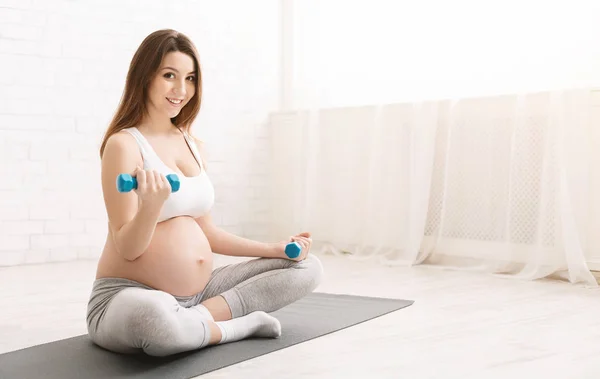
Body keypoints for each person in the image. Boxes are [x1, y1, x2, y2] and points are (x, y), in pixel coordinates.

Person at [86, 29, 323, 357]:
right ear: (144, 77)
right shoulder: (123, 145)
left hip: (201, 293)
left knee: (308, 268)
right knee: (156, 320)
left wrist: (275, 248)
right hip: (130, 295)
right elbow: (127, 248)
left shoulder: (192, 144)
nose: (181, 90)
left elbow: (207, 232)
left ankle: (197, 321)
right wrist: (150, 206)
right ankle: (236, 326)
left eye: (190, 78)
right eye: (169, 75)